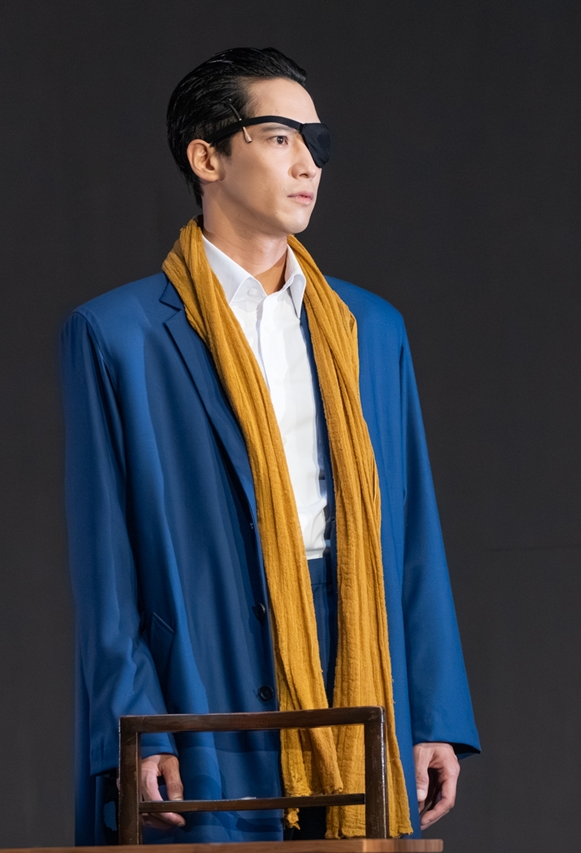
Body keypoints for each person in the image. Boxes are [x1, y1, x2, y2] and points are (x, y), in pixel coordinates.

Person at [60, 47, 478, 845]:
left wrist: (431, 714)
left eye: (315, 142)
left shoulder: (368, 328)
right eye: (281, 137)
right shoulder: (118, 335)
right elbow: (105, 564)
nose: (307, 163)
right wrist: (138, 722)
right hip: (205, 652)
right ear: (207, 157)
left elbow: (413, 534)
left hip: (356, 649)